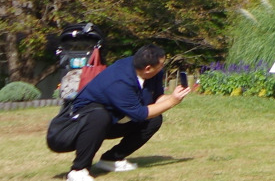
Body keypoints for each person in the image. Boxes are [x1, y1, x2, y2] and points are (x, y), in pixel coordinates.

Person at [61, 44, 192, 181]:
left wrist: (173, 96)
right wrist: (172, 101)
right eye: (160, 65)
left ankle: (111, 159)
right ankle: (78, 169)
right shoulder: (120, 80)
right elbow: (140, 113)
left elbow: (156, 99)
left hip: (115, 117)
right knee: (99, 117)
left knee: (154, 120)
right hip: (83, 122)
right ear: (148, 68)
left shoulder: (153, 74)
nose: (162, 67)